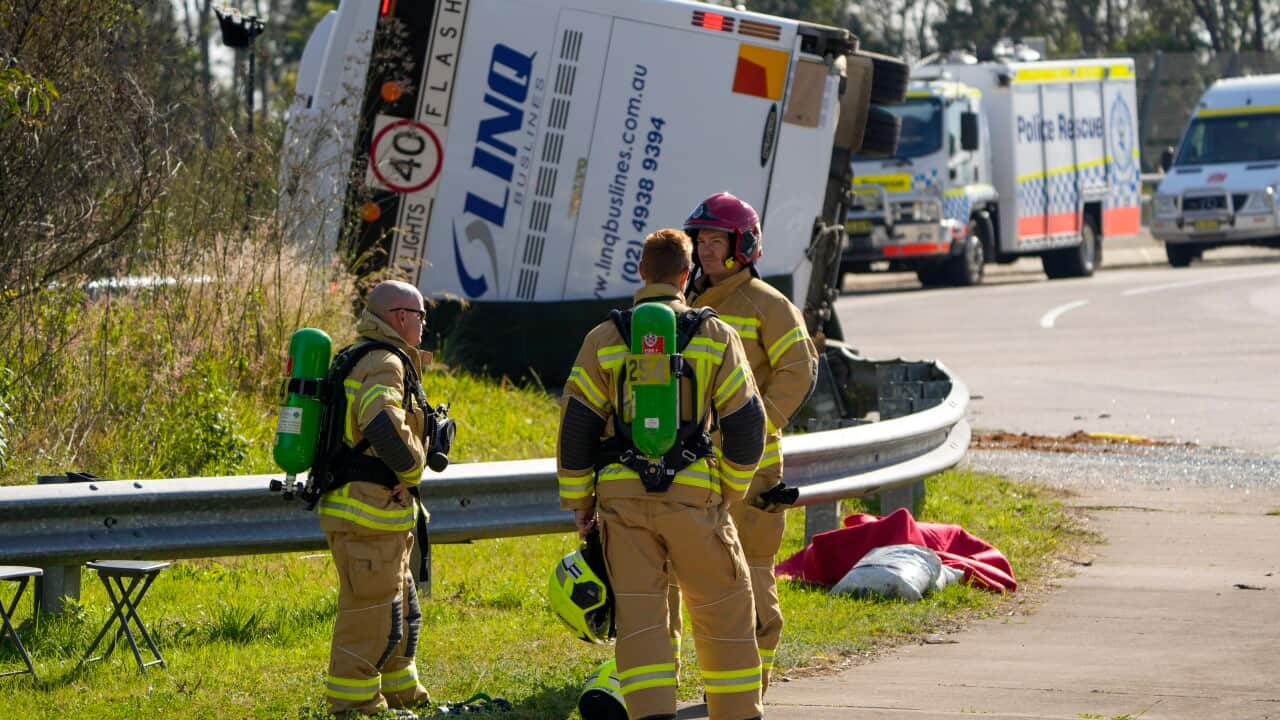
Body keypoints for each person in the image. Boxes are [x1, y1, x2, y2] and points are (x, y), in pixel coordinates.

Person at [557, 228, 768, 720]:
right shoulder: (716, 335)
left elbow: (576, 427)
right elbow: (747, 423)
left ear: (640, 272)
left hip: (622, 503)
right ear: (685, 274)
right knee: (724, 614)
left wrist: (580, 503)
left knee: (641, 621)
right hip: (696, 500)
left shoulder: (604, 338)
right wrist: (729, 490)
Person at [675, 191, 819, 694]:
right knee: (688, 571)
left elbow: (799, 370)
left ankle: (755, 678)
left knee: (752, 569)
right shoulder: (688, 303)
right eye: (700, 240)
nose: (707, 249)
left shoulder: (768, 305)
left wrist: (756, 428)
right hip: (690, 463)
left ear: (744, 245)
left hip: (752, 466)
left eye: (717, 240)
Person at [318, 280, 434, 718]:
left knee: (397, 605)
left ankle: (401, 691)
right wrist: (412, 468)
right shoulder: (385, 362)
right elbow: (381, 421)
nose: (424, 326)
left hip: (374, 512)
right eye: (421, 317)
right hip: (368, 510)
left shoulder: (365, 356)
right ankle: (355, 703)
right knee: (369, 613)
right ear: (400, 316)